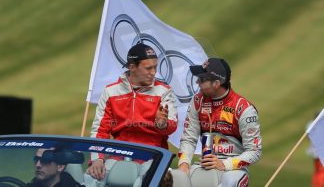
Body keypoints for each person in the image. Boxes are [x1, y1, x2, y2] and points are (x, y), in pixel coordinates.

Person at [87, 43, 178, 181]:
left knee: (149, 180)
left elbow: (171, 126)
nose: (153, 72)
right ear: (132, 67)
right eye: (148, 68)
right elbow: (100, 130)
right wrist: (97, 159)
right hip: (118, 154)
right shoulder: (110, 91)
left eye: (155, 67)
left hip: (152, 155)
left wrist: (162, 124)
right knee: (91, 178)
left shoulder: (164, 91)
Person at [178, 58, 262, 186]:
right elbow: (189, 138)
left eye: (202, 79)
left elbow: (255, 151)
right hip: (204, 165)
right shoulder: (197, 101)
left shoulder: (243, 108)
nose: (197, 82)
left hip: (233, 169)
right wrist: (183, 164)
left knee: (229, 182)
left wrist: (224, 164)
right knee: (173, 178)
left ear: (216, 83)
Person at [306, 118, 324, 187]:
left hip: (315, 151)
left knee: (318, 171)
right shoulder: (320, 125)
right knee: (321, 172)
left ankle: (316, 185)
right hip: (319, 152)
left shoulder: (311, 124)